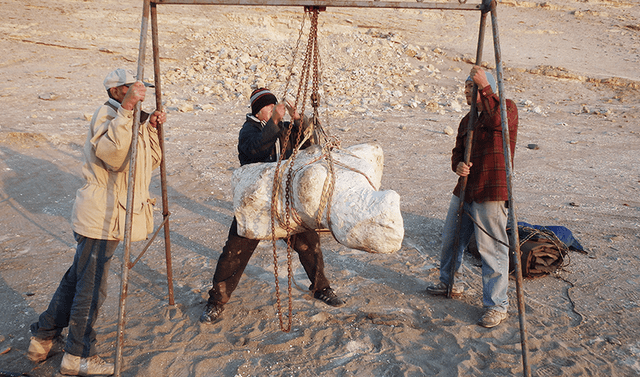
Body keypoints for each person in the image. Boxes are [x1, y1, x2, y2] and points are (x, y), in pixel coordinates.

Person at [27, 68, 165, 375]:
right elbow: (115, 157)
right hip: (102, 213)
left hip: (113, 212)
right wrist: (128, 111)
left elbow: (148, 164)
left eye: (142, 90)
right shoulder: (109, 115)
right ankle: (78, 355)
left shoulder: (131, 120)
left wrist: (152, 129)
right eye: (133, 90)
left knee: (78, 278)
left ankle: (43, 336)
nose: (141, 94)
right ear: (116, 91)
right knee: (91, 288)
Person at [200, 88, 345, 324]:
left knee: (309, 244)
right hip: (256, 203)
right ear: (259, 109)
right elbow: (254, 149)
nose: (274, 109)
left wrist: (298, 119)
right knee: (234, 252)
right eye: (270, 106)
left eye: (274, 106)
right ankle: (216, 301)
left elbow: (308, 142)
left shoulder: (282, 127)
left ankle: (321, 287)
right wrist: (275, 121)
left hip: (284, 201)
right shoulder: (249, 130)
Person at [426, 66, 518, 328]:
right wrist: (457, 166)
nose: (466, 91)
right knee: (451, 238)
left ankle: (496, 305)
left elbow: (496, 122)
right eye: (465, 86)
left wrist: (485, 87)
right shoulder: (467, 120)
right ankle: (450, 283)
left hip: (491, 189)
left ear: (484, 86)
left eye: (471, 85)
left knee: (492, 249)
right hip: (465, 188)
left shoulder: (506, 108)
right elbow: (457, 151)